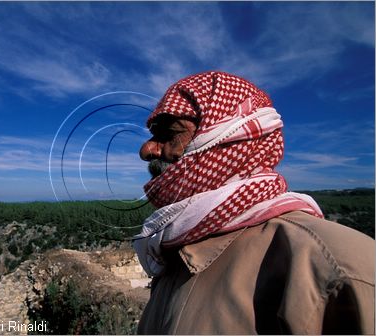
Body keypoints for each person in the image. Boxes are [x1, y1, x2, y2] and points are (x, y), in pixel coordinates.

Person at [133, 71, 375, 334]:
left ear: (229, 139)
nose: (146, 150)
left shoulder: (335, 268)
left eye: (170, 133)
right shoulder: (172, 254)